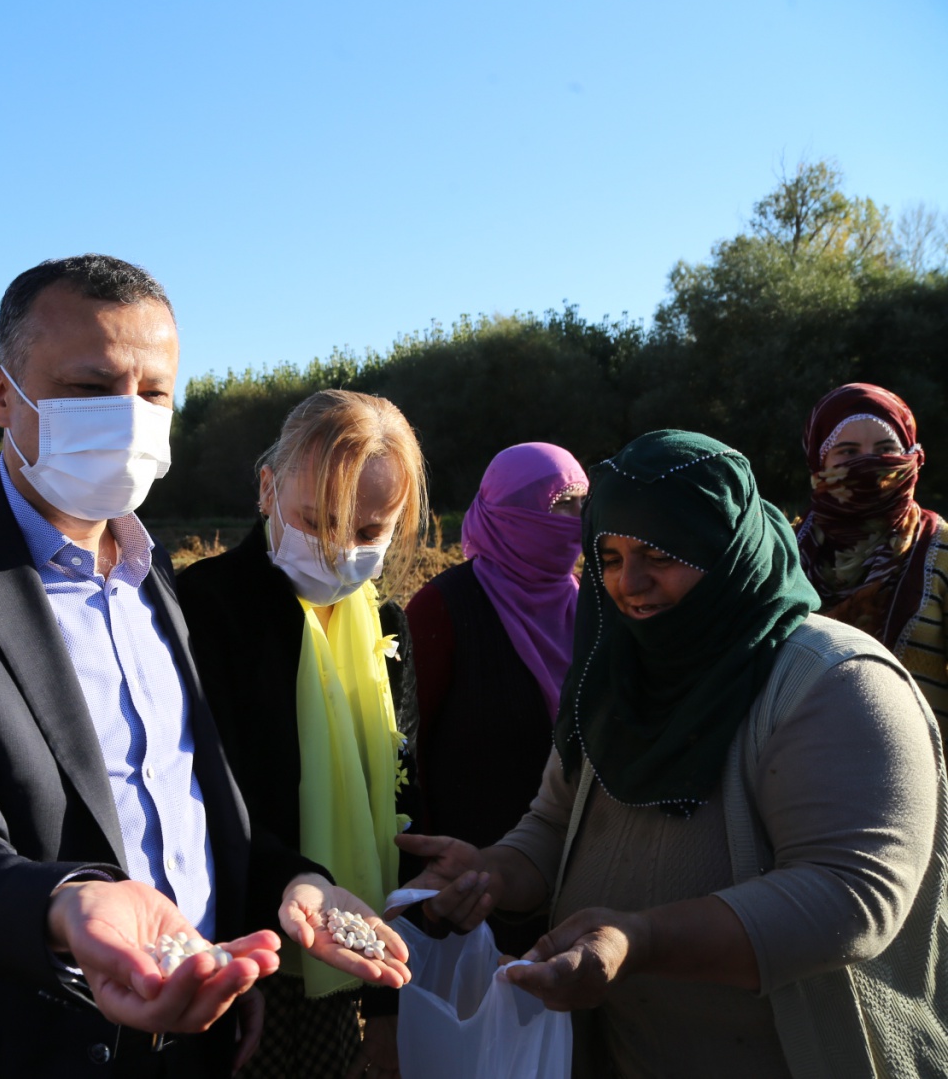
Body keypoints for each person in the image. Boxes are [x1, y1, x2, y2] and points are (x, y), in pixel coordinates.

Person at [0, 255, 408, 1079]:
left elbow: (193, 790)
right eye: (91, 388)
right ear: (0, 395)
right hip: (18, 1044)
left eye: (153, 392)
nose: (128, 418)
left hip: (196, 1025)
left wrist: (285, 885)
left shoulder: (152, 573)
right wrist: (70, 905)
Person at [397, 429, 948, 1079]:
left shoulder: (833, 680)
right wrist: (492, 871)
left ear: (726, 548)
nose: (630, 583)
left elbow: (852, 893)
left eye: (659, 553)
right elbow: (552, 824)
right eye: (609, 554)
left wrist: (642, 938)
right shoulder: (615, 676)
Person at [177, 390, 426, 1079]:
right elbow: (197, 799)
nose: (340, 550)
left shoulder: (385, 628)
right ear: (267, 488)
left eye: (369, 532)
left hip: (353, 950)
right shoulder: (207, 606)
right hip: (244, 948)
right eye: (317, 520)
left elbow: (399, 796)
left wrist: (384, 1009)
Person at [403, 443, 587, 955]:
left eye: (582, 505)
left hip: (575, 880)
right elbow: (406, 752)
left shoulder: (594, 607)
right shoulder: (443, 608)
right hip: (471, 888)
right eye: (560, 506)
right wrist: (426, 881)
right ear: (507, 511)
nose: (576, 522)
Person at [798, 382, 948, 729]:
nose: (870, 464)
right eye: (848, 453)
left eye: (886, 449)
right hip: (800, 771)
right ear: (819, 463)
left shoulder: (939, 549)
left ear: (911, 455)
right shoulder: (785, 556)